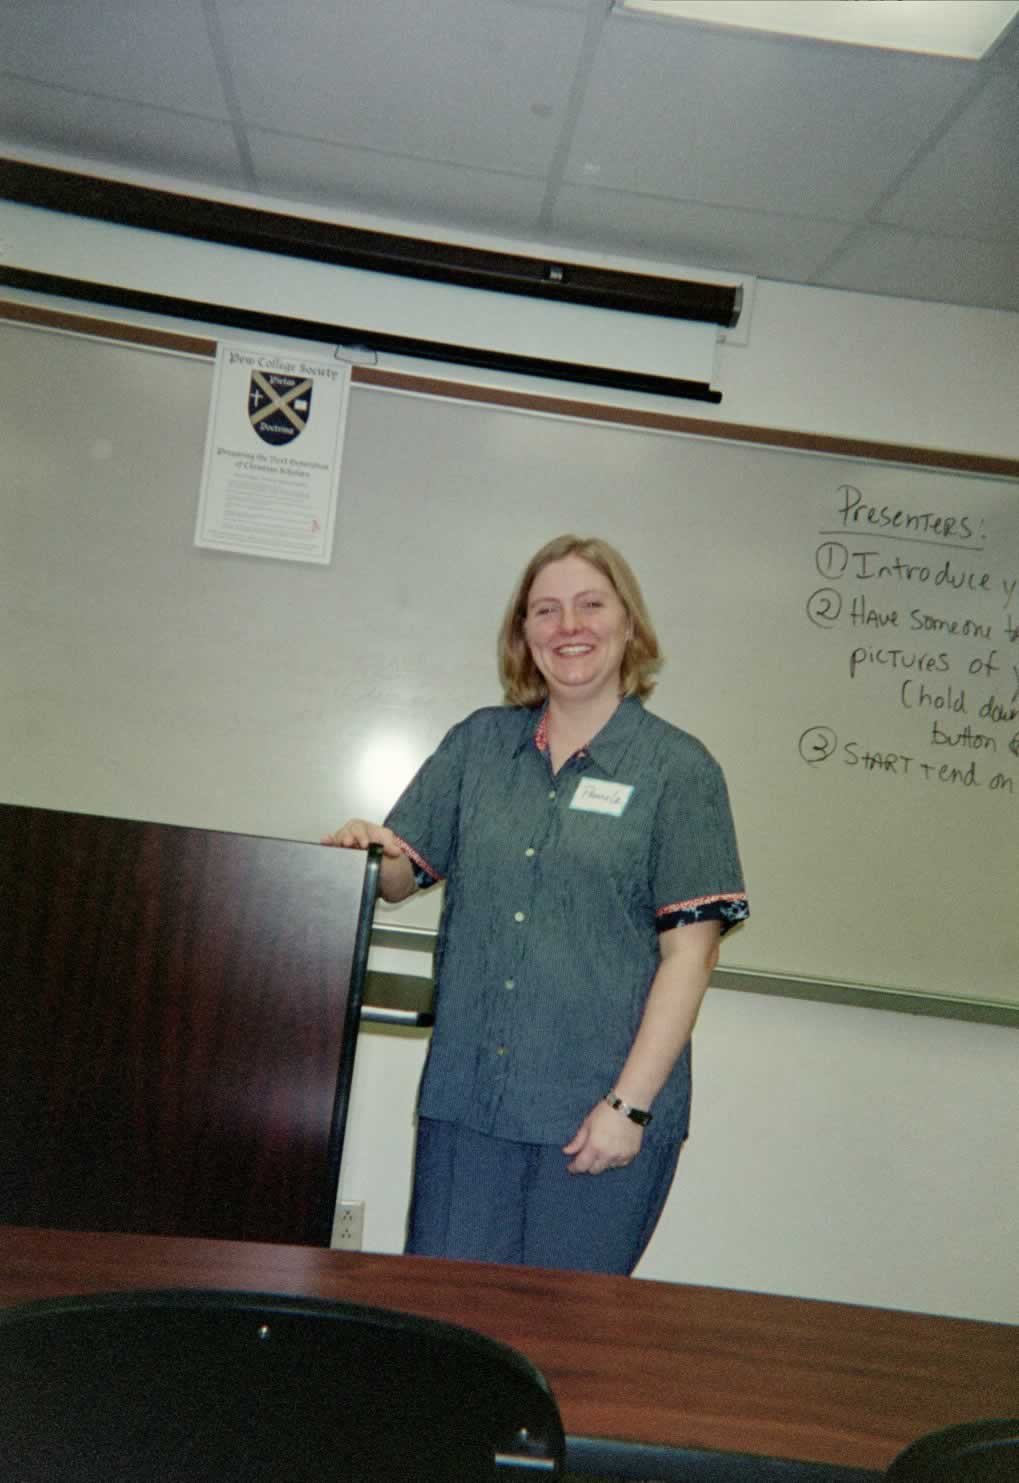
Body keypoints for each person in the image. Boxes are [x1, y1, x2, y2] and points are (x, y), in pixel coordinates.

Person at [323, 534, 748, 1274]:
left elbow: (692, 951)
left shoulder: (679, 770)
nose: (567, 626)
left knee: (566, 1348)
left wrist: (629, 1106)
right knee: (448, 1337)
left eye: (590, 604)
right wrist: (369, 848)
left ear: (628, 626)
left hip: (597, 1117)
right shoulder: (478, 746)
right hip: (468, 1108)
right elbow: (399, 879)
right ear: (523, 635)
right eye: (544, 610)